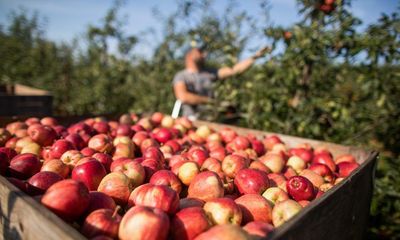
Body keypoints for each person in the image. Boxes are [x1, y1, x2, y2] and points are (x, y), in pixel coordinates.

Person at [172, 46, 270, 119]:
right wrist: (213, 102)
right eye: (200, 51)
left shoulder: (210, 73)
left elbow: (234, 70)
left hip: (211, 120)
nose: (204, 54)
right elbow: (183, 97)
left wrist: (255, 57)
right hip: (191, 119)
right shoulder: (182, 76)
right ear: (189, 55)